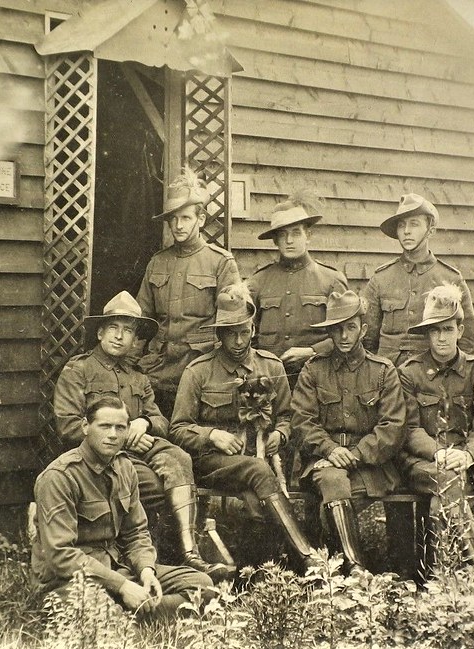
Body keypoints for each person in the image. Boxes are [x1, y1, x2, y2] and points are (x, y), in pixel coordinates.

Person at [52, 291, 233, 582]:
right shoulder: (79, 370)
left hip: (138, 450)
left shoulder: (138, 376)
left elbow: (162, 421)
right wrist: (123, 436)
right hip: (100, 456)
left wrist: (143, 423)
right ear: (100, 332)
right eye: (114, 328)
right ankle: (146, 557)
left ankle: (189, 551)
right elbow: (69, 427)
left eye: (128, 331)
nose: (120, 337)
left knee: (178, 456)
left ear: (135, 339)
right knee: (149, 483)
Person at [170, 283, 317, 569]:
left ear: (253, 330)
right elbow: (178, 428)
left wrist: (280, 434)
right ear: (219, 334)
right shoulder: (198, 371)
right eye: (230, 334)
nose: (238, 341)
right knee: (257, 470)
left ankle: (251, 573)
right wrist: (212, 435)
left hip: (260, 463)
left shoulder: (271, 367)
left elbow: (289, 417)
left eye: (244, 332)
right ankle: (307, 558)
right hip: (213, 463)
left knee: (255, 502)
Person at [32, 395, 215, 619]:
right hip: (71, 580)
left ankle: (135, 612)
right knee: (109, 626)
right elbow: (61, 556)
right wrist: (122, 586)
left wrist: (146, 571)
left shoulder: (125, 468)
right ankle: (133, 616)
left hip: (118, 569)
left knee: (203, 585)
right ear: (85, 427)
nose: (112, 435)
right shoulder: (59, 477)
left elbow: (136, 532)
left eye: (120, 427)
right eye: (105, 426)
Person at [397, 283, 474, 593]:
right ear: (427, 334)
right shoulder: (410, 373)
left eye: (448, 329)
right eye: (435, 331)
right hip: (421, 466)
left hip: (466, 468)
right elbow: (408, 430)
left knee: (440, 504)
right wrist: (438, 453)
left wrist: (469, 454)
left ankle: (437, 585)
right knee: (445, 481)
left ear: (460, 329)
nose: (442, 337)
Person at [291, 290, 406, 573]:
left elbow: (393, 427)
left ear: (363, 330)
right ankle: (356, 568)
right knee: (331, 481)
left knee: (329, 503)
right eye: (337, 329)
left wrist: (353, 454)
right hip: (324, 461)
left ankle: (328, 572)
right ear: (330, 332)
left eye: (350, 327)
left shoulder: (382, 371)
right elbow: (302, 421)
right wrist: (330, 449)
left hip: (371, 467)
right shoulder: (313, 370)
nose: (343, 336)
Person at [137, 167, 241, 415]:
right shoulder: (158, 262)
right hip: (158, 371)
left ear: (201, 220)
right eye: (173, 219)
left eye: (185, 218)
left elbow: (233, 324)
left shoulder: (221, 262)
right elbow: (141, 320)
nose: (178, 225)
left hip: (199, 370)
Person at [362, 193, 474, 367]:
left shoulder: (450, 278)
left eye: (414, 224)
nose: (406, 231)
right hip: (388, 378)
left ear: (430, 230)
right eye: (401, 225)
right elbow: (367, 342)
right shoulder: (381, 279)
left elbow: (468, 344)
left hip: (433, 380)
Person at [247, 191, 348, 385]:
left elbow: (347, 334)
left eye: (296, 233)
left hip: (318, 378)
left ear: (308, 235)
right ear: (275, 240)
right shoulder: (258, 282)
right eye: (282, 235)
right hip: (269, 381)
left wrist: (312, 351)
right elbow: (248, 336)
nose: (289, 241)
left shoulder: (331, 280)